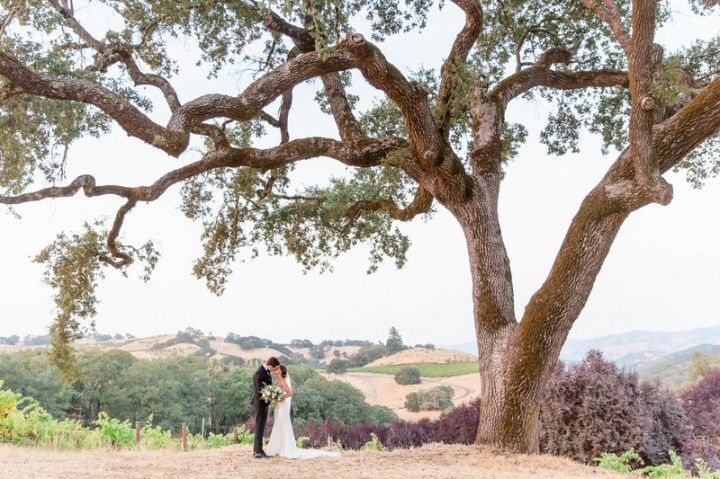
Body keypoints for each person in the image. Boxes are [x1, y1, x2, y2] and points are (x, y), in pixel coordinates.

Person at [265, 364, 341, 459]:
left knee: (283, 425)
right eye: (275, 370)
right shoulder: (278, 381)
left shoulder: (283, 381)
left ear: (281, 372)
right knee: (278, 425)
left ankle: (286, 448)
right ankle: (279, 447)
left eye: (277, 370)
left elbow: (290, 393)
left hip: (282, 407)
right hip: (278, 407)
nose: (275, 371)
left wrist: (281, 398)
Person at [251, 356, 280, 458]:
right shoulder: (259, 372)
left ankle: (257, 450)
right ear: (270, 365)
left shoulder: (266, 372)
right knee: (259, 426)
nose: (274, 370)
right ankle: (258, 451)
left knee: (261, 426)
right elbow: (260, 390)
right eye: (274, 368)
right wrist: (270, 393)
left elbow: (267, 386)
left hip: (264, 403)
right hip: (260, 403)